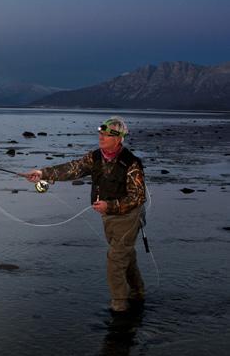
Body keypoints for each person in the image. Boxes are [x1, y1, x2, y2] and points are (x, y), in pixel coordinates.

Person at [21, 116, 146, 313]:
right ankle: (138, 293)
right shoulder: (95, 157)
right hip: (108, 216)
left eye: (106, 134)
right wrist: (42, 173)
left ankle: (119, 308)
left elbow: (138, 198)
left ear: (119, 138)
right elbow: (72, 169)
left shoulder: (131, 164)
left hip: (128, 218)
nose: (101, 137)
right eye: (100, 133)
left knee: (115, 260)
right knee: (125, 255)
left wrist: (109, 206)